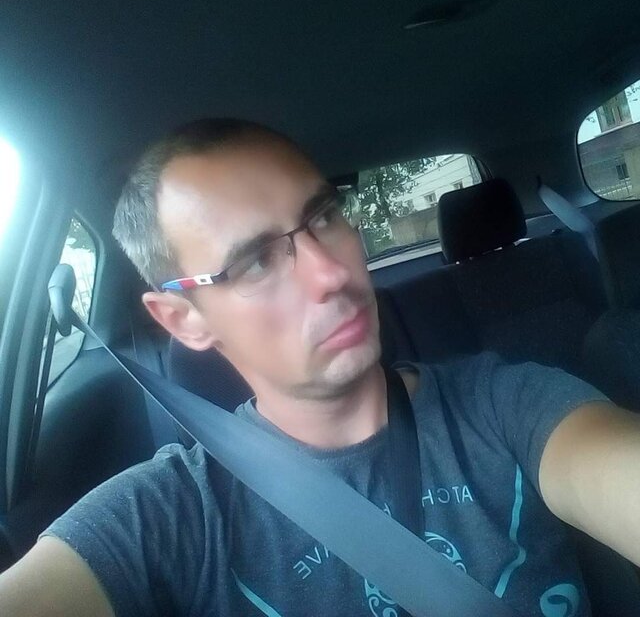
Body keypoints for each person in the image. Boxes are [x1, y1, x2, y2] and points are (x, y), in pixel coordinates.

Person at [1, 118, 639, 617]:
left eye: (324, 217)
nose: (332, 273)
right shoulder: (169, 516)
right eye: (256, 261)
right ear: (184, 319)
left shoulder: (510, 405)